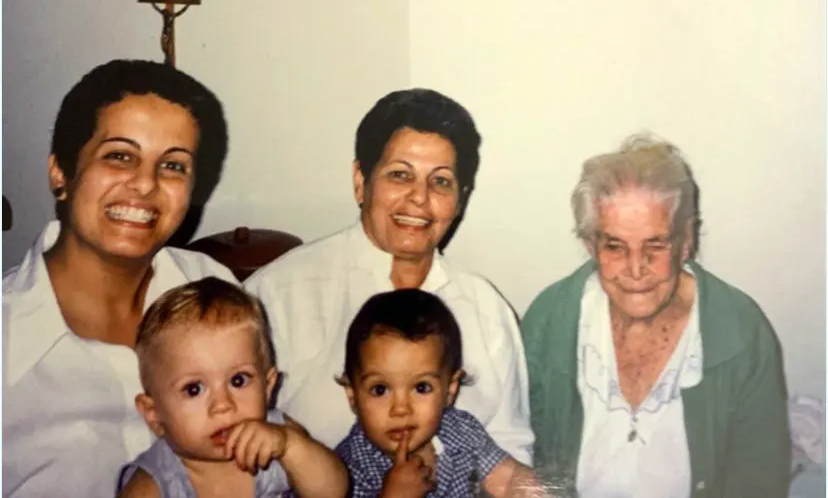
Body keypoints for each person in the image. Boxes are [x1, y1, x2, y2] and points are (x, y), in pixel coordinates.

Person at [245, 89, 533, 463]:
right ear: (361, 181)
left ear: (460, 199)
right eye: (399, 175)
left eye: (441, 181)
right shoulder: (280, 294)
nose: (419, 198)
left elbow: (512, 449)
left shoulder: (486, 310)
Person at [3, 60, 238, 498]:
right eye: (119, 156)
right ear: (61, 172)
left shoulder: (209, 285)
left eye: (173, 165)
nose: (145, 184)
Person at [522, 134, 791, 498]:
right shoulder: (549, 321)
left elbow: (758, 483)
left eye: (656, 245)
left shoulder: (741, 332)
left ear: (686, 240)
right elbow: (517, 452)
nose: (636, 270)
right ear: (590, 246)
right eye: (615, 246)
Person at [117, 277, 349, 498]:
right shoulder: (150, 486)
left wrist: (289, 445)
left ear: (267, 387)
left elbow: (333, 492)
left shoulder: (277, 435)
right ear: (154, 414)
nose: (223, 405)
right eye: (194, 389)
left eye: (238, 380)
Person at [335, 288, 539, 497]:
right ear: (352, 394)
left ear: (450, 390)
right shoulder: (348, 470)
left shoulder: (460, 431)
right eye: (380, 390)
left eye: (421, 388)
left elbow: (509, 480)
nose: (401, 409)